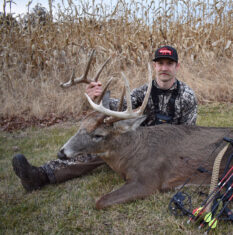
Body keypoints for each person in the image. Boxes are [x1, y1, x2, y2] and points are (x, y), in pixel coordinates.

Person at [12, 45, 198, 191]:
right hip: (137, 144)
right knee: (104, 144)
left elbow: (188, 134)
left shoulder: (187, 96)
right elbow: (118, 109)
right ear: (155, 66)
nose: (164, 68)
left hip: (164, 152)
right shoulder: (143, 92)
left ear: (177, 66)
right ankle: (41, 175)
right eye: (160, 63)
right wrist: (98, 96)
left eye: (169, 63)